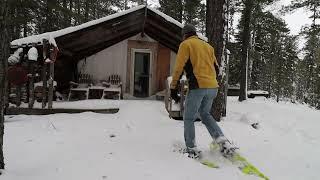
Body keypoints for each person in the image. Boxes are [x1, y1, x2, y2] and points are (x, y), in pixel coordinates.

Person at [170, 24, 236, 158]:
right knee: (205, 114)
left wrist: (173, 87)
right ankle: (222, 142)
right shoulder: (208, 46)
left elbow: (179, 67)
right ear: (195, 33)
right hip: (213, 87)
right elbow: (216, 69)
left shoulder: (186, 44)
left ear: (185, 35)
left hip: (198, 87)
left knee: (188, 117)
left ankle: (191, 148)